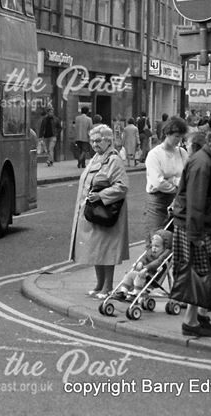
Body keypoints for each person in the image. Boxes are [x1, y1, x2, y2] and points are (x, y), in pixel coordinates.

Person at [170, 123, 211, 337]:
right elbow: (196, 201)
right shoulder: (202, 164)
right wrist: (195, 235)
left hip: (205, 226)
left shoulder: (209, 160)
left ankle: (200, 315)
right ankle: (191, 321)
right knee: (201, 274)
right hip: (198, 228)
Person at [68, 124, 129, 298]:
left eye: (98, 140)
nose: (94, 144)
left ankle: (107, 287)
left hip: (106, 212)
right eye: (92, 140)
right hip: (94, 212)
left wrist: (101, 195)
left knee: (107, 250)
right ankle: (99, 285)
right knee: (96, 249)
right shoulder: (97, 157)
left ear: (108, 140)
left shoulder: (114, 160)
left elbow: (122, 186)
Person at [143, 116, 190, 234]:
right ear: (167, 134)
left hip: (177, 201)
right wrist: (177, 185)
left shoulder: (182, 153)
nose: (178, 140)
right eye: (176, 136)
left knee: (175, 238)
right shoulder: (154, 154)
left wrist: (171, 180)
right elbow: (158, 182)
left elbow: (188, 176)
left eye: (180, 137)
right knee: (157, 237)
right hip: (157, 201)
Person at [113, 229, 172, 300]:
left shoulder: (164, 255)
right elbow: (145, 257)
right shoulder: (150, 251)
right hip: (143, 274)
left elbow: (158, 262)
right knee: (130, 275)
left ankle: (136, 295)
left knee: (139, 275)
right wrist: (140, 262)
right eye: (152, 245)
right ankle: (123, 292)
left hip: (152, 277)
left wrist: (146, 268)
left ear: (164, 247)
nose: (154, 248)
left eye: (157, 246)